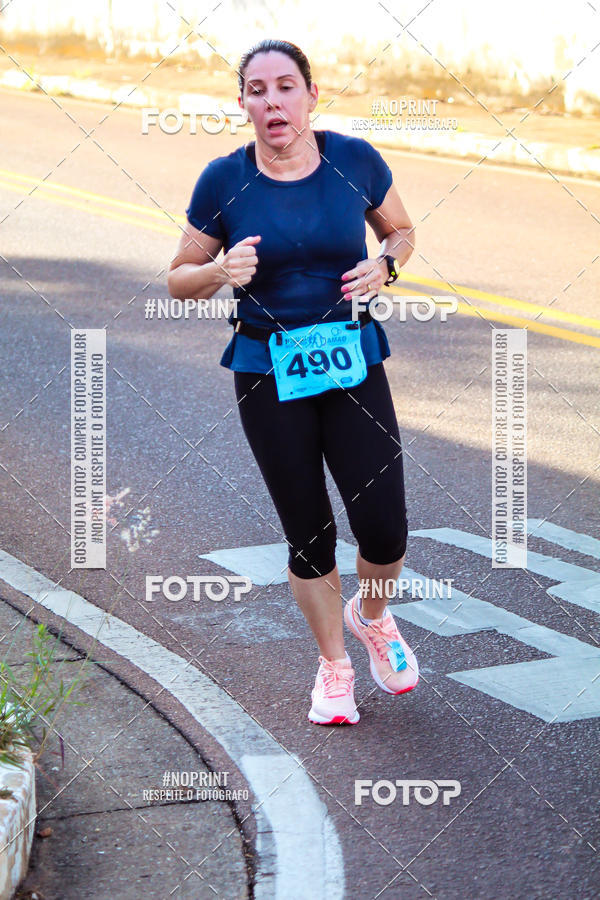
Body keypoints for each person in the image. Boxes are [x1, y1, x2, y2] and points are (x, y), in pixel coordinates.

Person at [168, 38, 419, 725]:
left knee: (385, 527)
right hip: (267, 373)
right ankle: (334, 667)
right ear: (242, 103)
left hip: (352, 362)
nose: (273, 101)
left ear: (311, 95)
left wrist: (386, 266)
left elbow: (400, 231)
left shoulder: (354, 161)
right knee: (309, 533)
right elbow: (178, 279)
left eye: (286, 87)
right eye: (258, 90)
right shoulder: (223, 180)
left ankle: (373, 618)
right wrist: (218, 272)